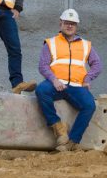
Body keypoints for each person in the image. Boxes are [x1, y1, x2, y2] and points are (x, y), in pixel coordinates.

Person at [34, 9, 102, 152]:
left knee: (89, 105)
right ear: (61, 24)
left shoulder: (86, 45)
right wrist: (54, 80)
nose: (69, 26)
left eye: (73, 23)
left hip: (77, 86)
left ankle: (72, 142)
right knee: (41, 90)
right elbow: (43, 65)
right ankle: (57, 126)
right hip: (56, 84)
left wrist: (87, 78)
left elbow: (97, 64)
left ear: (76, 26)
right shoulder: (50, 43)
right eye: (66, 23)